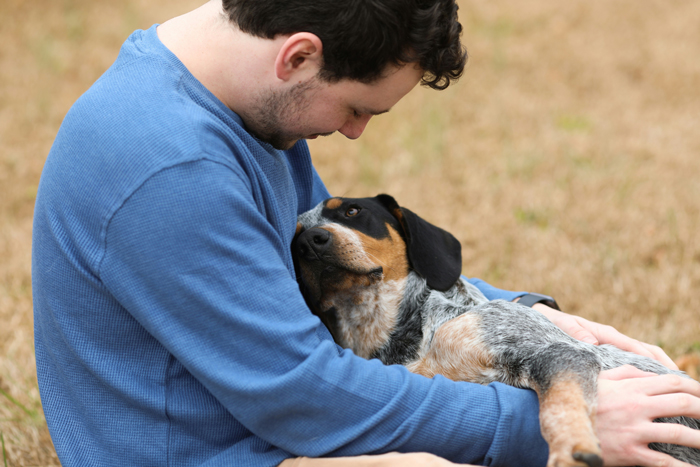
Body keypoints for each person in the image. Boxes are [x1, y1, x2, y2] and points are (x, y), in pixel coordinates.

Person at [31, 1, 700, 466]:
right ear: (297, 56)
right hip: (227, 452)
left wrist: (534, 316)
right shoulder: (171, 165)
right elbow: (304, 396)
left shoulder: (243, 107)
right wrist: (551, 421)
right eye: (357, 107)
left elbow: (375, 275)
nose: (353, 132)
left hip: (277, 423)